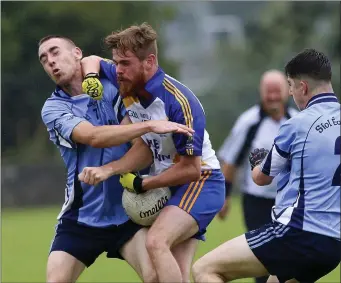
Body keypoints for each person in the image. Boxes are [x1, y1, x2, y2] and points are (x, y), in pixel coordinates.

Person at [38, 35, 193, 283]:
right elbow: (92, 136)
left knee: (154, 276)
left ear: (77, 53)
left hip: (128, 211)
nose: (51, 62)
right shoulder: (54, 108)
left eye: (55, 52)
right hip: (81, 216)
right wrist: (149, 125)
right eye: (44, 60)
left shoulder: (114, 87)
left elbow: (143, 150)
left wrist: (138, 135)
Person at [79, 22, 225, 283]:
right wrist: (109, 170)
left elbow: (191, 169)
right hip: (172, 185)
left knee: (156, 242)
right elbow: (92, 61)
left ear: (149, 61)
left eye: (124, 63)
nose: (117, 70)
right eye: (116, 62)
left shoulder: (179, 103)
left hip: (201, 182)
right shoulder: (127, 80)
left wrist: (144, 182)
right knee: (172, 273)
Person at [192, 48, 340, 283]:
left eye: (290, 87)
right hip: (333, 244)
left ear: (302, 87)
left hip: (299, 232)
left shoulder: (297, 123)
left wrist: (258, 160)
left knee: (205, 269)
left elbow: (261, 177)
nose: (291, 94)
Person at [217, 70, 298, 283]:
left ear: (288, 92)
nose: (272, 97)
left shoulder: (298, 121)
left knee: (291, 260)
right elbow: (230, 161)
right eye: (268, 92)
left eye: (276, 91)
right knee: (262, 259)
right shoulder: (248, 122)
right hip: (255, 202)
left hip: (289, 203)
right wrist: (224, 197)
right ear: (261, 93)